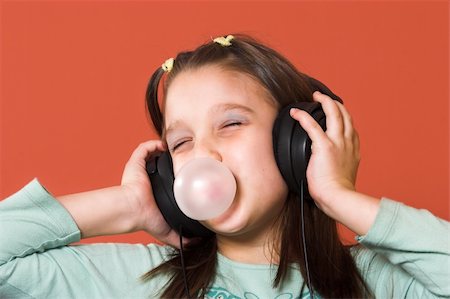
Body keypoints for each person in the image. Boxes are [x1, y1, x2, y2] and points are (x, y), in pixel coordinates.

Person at [0, 34, 448, 299]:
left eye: (230, 123)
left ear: (295, 143)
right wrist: (127, 206)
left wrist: (340, 197)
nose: (202, 155)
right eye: (182, 142)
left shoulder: (375, 281)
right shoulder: (147, 282)